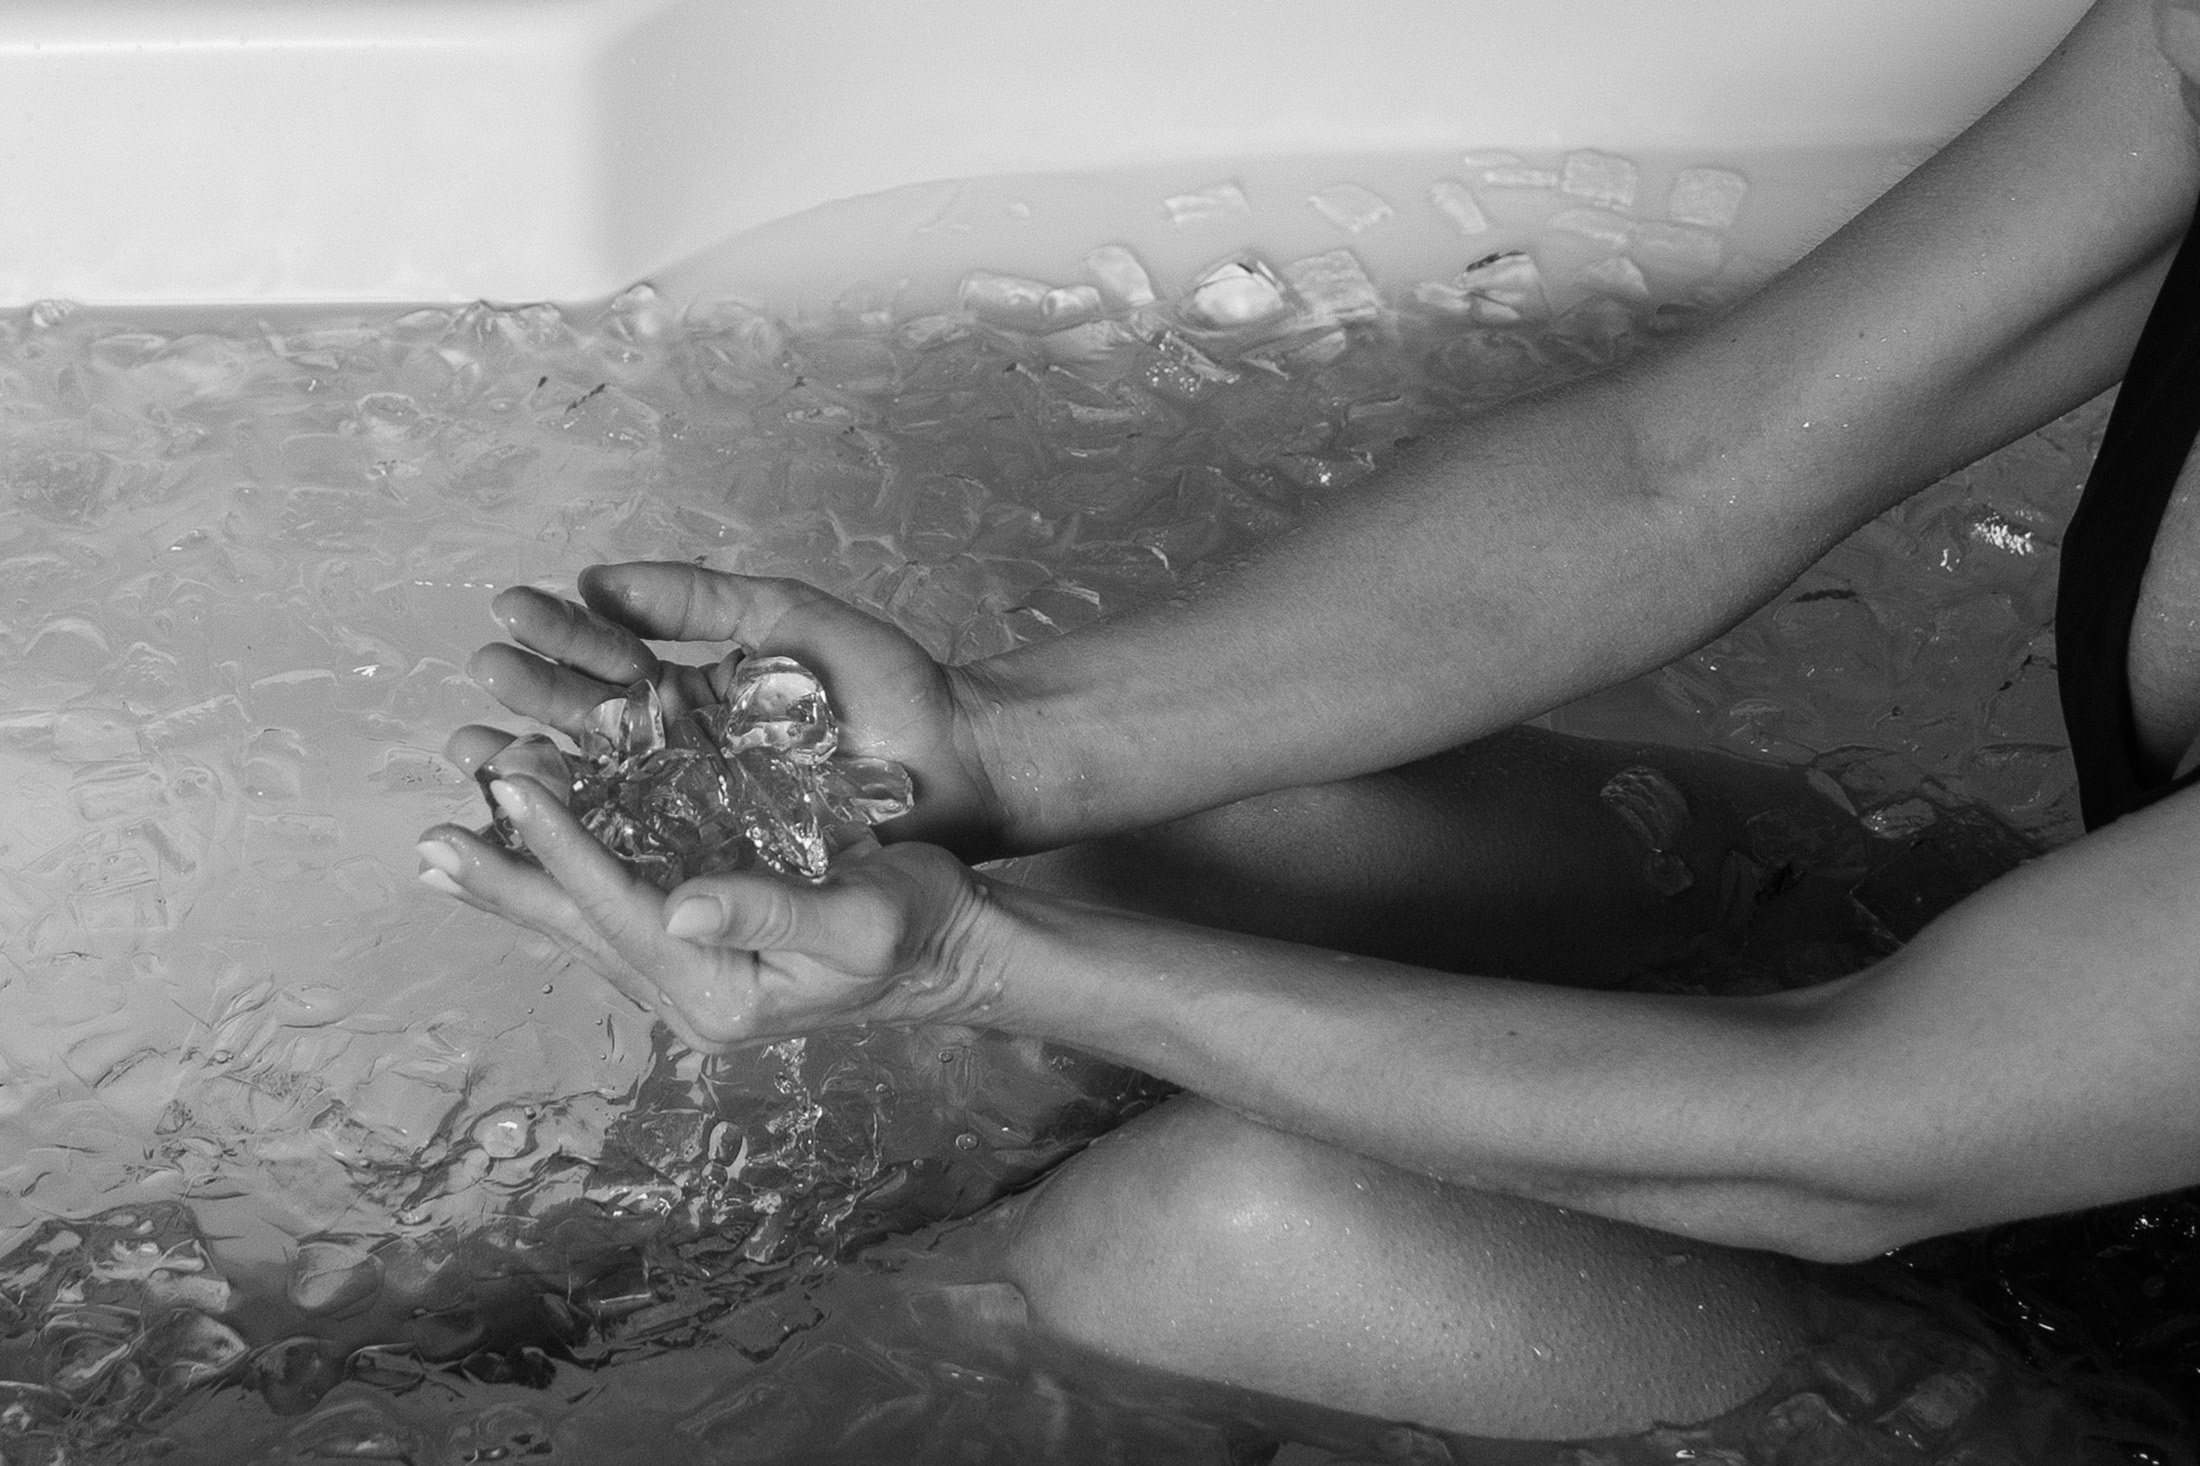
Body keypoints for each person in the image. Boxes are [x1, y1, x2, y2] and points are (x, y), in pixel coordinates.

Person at [412, 0, 2200, 1440]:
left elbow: (1842, 1126)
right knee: (1187, 844)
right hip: (2070, 1040)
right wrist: (997, 746)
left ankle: (592, 1414)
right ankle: (543, 1318)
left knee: (1219, 1230)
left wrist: (967, 959)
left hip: (2091, 1331)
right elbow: (1673, 473)